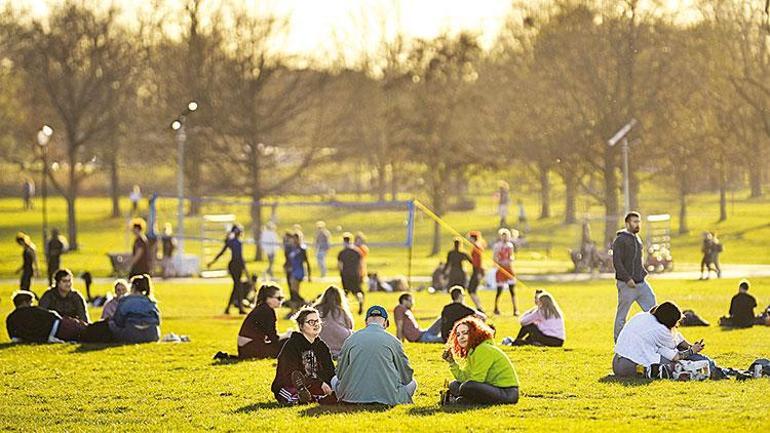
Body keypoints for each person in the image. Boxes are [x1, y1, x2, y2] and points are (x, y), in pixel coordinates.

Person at [333, 305, 417, 405]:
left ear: (366, 322)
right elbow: (407, 376)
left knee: (333, 380)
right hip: (389, 397)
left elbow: (340, 374)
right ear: (386, 323)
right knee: (413, 383)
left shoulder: (351, 339)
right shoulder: (394, 341)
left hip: (352, 397)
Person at [613, 301, 704, 378]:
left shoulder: (642, 315)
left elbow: (677, 338)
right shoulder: (661, 330)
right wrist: (692, 350)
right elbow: (675, 355)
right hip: (631, 366)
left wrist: (690, 346)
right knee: (675, 362)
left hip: (616, 363)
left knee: (659, 350)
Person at [441, 317, 520, 405]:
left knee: (467, 387)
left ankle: (459, 401)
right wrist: (452, 362)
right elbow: (465, 377)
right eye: (458, 334)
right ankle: (462, 400)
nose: (461, 337)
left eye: (465, 333)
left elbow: (477, 380)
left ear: (474, 333)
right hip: (491, 388)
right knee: (454, 385)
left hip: (507, 393)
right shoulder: (473, 351)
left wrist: (465, 386)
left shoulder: (483, 349)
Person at [271, 307, 336, 405]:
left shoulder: (322, 346)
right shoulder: (292, 345)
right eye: (311, 322)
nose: (316, 325)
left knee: (331, 390)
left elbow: (329, 370)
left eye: (317, 321)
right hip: (289, 384)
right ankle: (303, 398)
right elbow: (291, 374)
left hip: (313, 385)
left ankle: (316, 398)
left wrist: (332, 384)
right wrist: (319, 383)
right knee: (291, 392)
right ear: (301, 326)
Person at [612, 211, 657, 342]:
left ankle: (654, 340)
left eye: (638, 222)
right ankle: (619, 343)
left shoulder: (637, 238)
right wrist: (627, 279)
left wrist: (642, 273)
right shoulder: (620, 240)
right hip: (627, 285)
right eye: (634, 222)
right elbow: (617, 262)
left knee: (654, 311)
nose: (637, 224)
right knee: (622, 315)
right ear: (627, 223)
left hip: (641, 284)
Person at [6, 291, 87, 343]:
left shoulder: (10, 318)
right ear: (24, 303)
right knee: (82, 329)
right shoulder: (33, 310)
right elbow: (53, 315)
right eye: (30, 302)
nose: (31, 305)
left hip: (48, 336)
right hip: (57, 327)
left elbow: (14, 338)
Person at [236, 284, 290, 359]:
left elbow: (270, 336)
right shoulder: (267, 311)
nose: (281, 301)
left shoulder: (263, 308)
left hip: (246, 348)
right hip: (250, 348)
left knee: (287, 343)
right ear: (268, 298)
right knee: (288, 343)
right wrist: (287, 335)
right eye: (279, 298)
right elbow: (274, 338)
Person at [208, 224, 249, 315]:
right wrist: (245, 269)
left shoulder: (231, 241)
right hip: (236, 266)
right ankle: (239, 308)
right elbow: (239, 257)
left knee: (236, 287)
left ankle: (229, 308)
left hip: (234, 266)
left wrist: (212, 262)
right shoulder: (237, 243)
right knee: (238, 287)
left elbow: (222, 252)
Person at [109, 274, 160, 343]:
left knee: (111, 323)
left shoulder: (125, 300)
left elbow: (118, 321)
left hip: (132, 335)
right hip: (152, 335)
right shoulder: (151, 301)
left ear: (133, 287)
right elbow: (158, 321)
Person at [314, 286, 354, 357]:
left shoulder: (316, 309)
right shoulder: (341, 311)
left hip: (319, 342)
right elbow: (350, 325)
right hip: (340, 340)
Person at [492, 228, 518, 316]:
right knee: (499, 290)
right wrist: (498, 262)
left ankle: (515, 309)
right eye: (503, 236)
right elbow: (494, 257)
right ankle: (496, 308)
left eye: (506, 236)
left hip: (509, 268)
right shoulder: (497, 246)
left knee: (512, 290)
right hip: (501, 269)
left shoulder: (510, 245)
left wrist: (510, 260)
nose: (504, 238)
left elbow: (512, 256)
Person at [338, 233, 364, 315]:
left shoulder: (342, 252)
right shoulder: (357, 252)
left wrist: (341, 274)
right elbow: (361, 264)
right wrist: (361, 274)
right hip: (355, 274)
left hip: (346, 274)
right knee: (357, 291)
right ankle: (360, 304)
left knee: (345, 292)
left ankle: (345, 308)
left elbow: (340, 265)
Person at [287, 233, 311, 311]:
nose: (295, 240)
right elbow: (289, 260)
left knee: (294, 289)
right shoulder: (291, 248)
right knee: (293, 290)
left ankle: (300, 305)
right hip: (293, 271)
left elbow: (306, 262)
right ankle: (301, 304)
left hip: (299, 271)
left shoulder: (302, 249)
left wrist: (309, 275)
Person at [467, 231, 486, 312]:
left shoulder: (476, 247)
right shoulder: (476, 246)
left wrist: (478, 272)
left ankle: (479, 307)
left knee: (471, 289)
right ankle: (479, 307)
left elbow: (477, 261)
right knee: (472, 290)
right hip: (477, 270)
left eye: (470, 238)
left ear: (473, 238)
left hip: (477, 270)